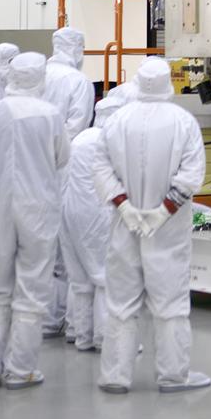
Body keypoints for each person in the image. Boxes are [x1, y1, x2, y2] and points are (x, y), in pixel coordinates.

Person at [93, 58, 208, 393]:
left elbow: (100, 166)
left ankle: (115, 376)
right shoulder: (183, 122)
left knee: (121, 302)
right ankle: (173, 375)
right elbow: (191, 174)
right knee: (170, 302)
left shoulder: (117, 121)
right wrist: (162, 211)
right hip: (167, 228)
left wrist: (125, 206)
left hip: (125, 225)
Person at [0, 52, 69, 389]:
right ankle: (20, 369)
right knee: (31, 288)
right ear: (40, 77)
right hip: (37, 208)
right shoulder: (50, 113)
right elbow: (62, 157)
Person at [60, 83, 137, 352]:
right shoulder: (112, 141)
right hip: (97, 214)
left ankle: (79, 334)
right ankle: (107, 337)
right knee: (107, 277)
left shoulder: (82, 137)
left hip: (70, 212)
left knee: (80, 279)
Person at [43, 26, 95, 337]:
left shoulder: (38, 75)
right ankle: (64, 321)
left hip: (32, 169)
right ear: (76, 49)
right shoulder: (78, 82)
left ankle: (43, 318)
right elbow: (76, 127)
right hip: (62, 168)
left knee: (40, 247)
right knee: (65, 248)